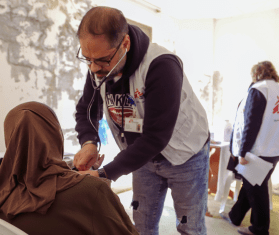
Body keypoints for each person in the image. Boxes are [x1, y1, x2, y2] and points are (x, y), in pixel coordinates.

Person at [73, 6, 210, 235]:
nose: (94, 68)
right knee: (141, 227)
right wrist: (89, 143)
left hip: (186, 155)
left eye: (103, 60)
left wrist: (105, 173)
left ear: (125, 44)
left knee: (190, 227)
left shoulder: (161, 65)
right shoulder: (97, 66)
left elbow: (156, 137)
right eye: (88, 59)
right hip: (143, 159)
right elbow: (86, 110)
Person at [0, 101, 138, 235]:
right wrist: (96, 176)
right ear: (56, 135)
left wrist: (75, 174)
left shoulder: (4, 193)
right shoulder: (93, 191)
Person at [220, 61, 279, 235]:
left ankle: (259, 229)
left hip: (257, 150)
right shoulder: (276, 89)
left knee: (256, 189)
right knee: (251, 184)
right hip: (273, 148)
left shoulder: (259, 90)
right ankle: (234, 216)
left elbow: (250, 124)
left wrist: (243, 152)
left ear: (256, 74)